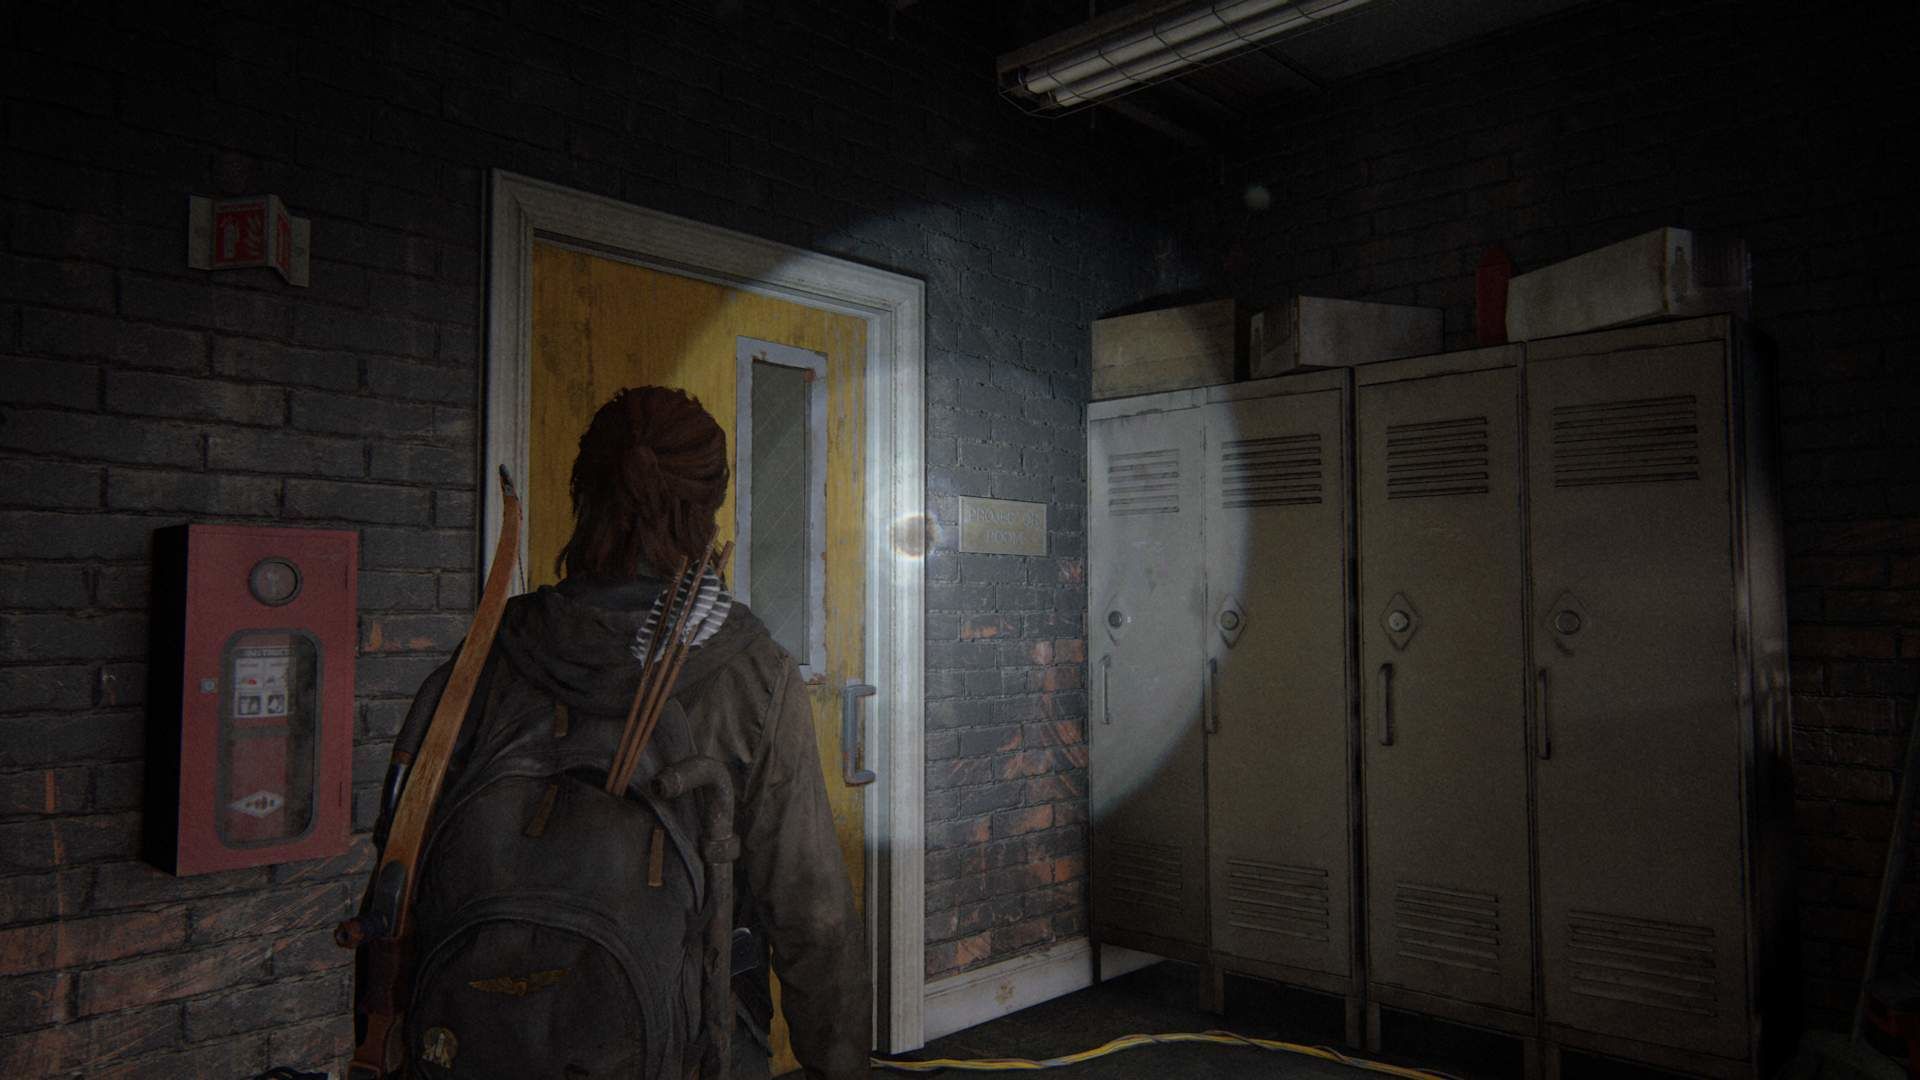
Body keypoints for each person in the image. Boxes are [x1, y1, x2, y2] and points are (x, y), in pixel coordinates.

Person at [385, 386, 869, 1079]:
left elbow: (397, 867)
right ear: (707, 510)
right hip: (692, 1047)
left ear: (583, 494)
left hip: (474, 1041)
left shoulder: (488, 654)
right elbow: (812, 915)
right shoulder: (750, 671)